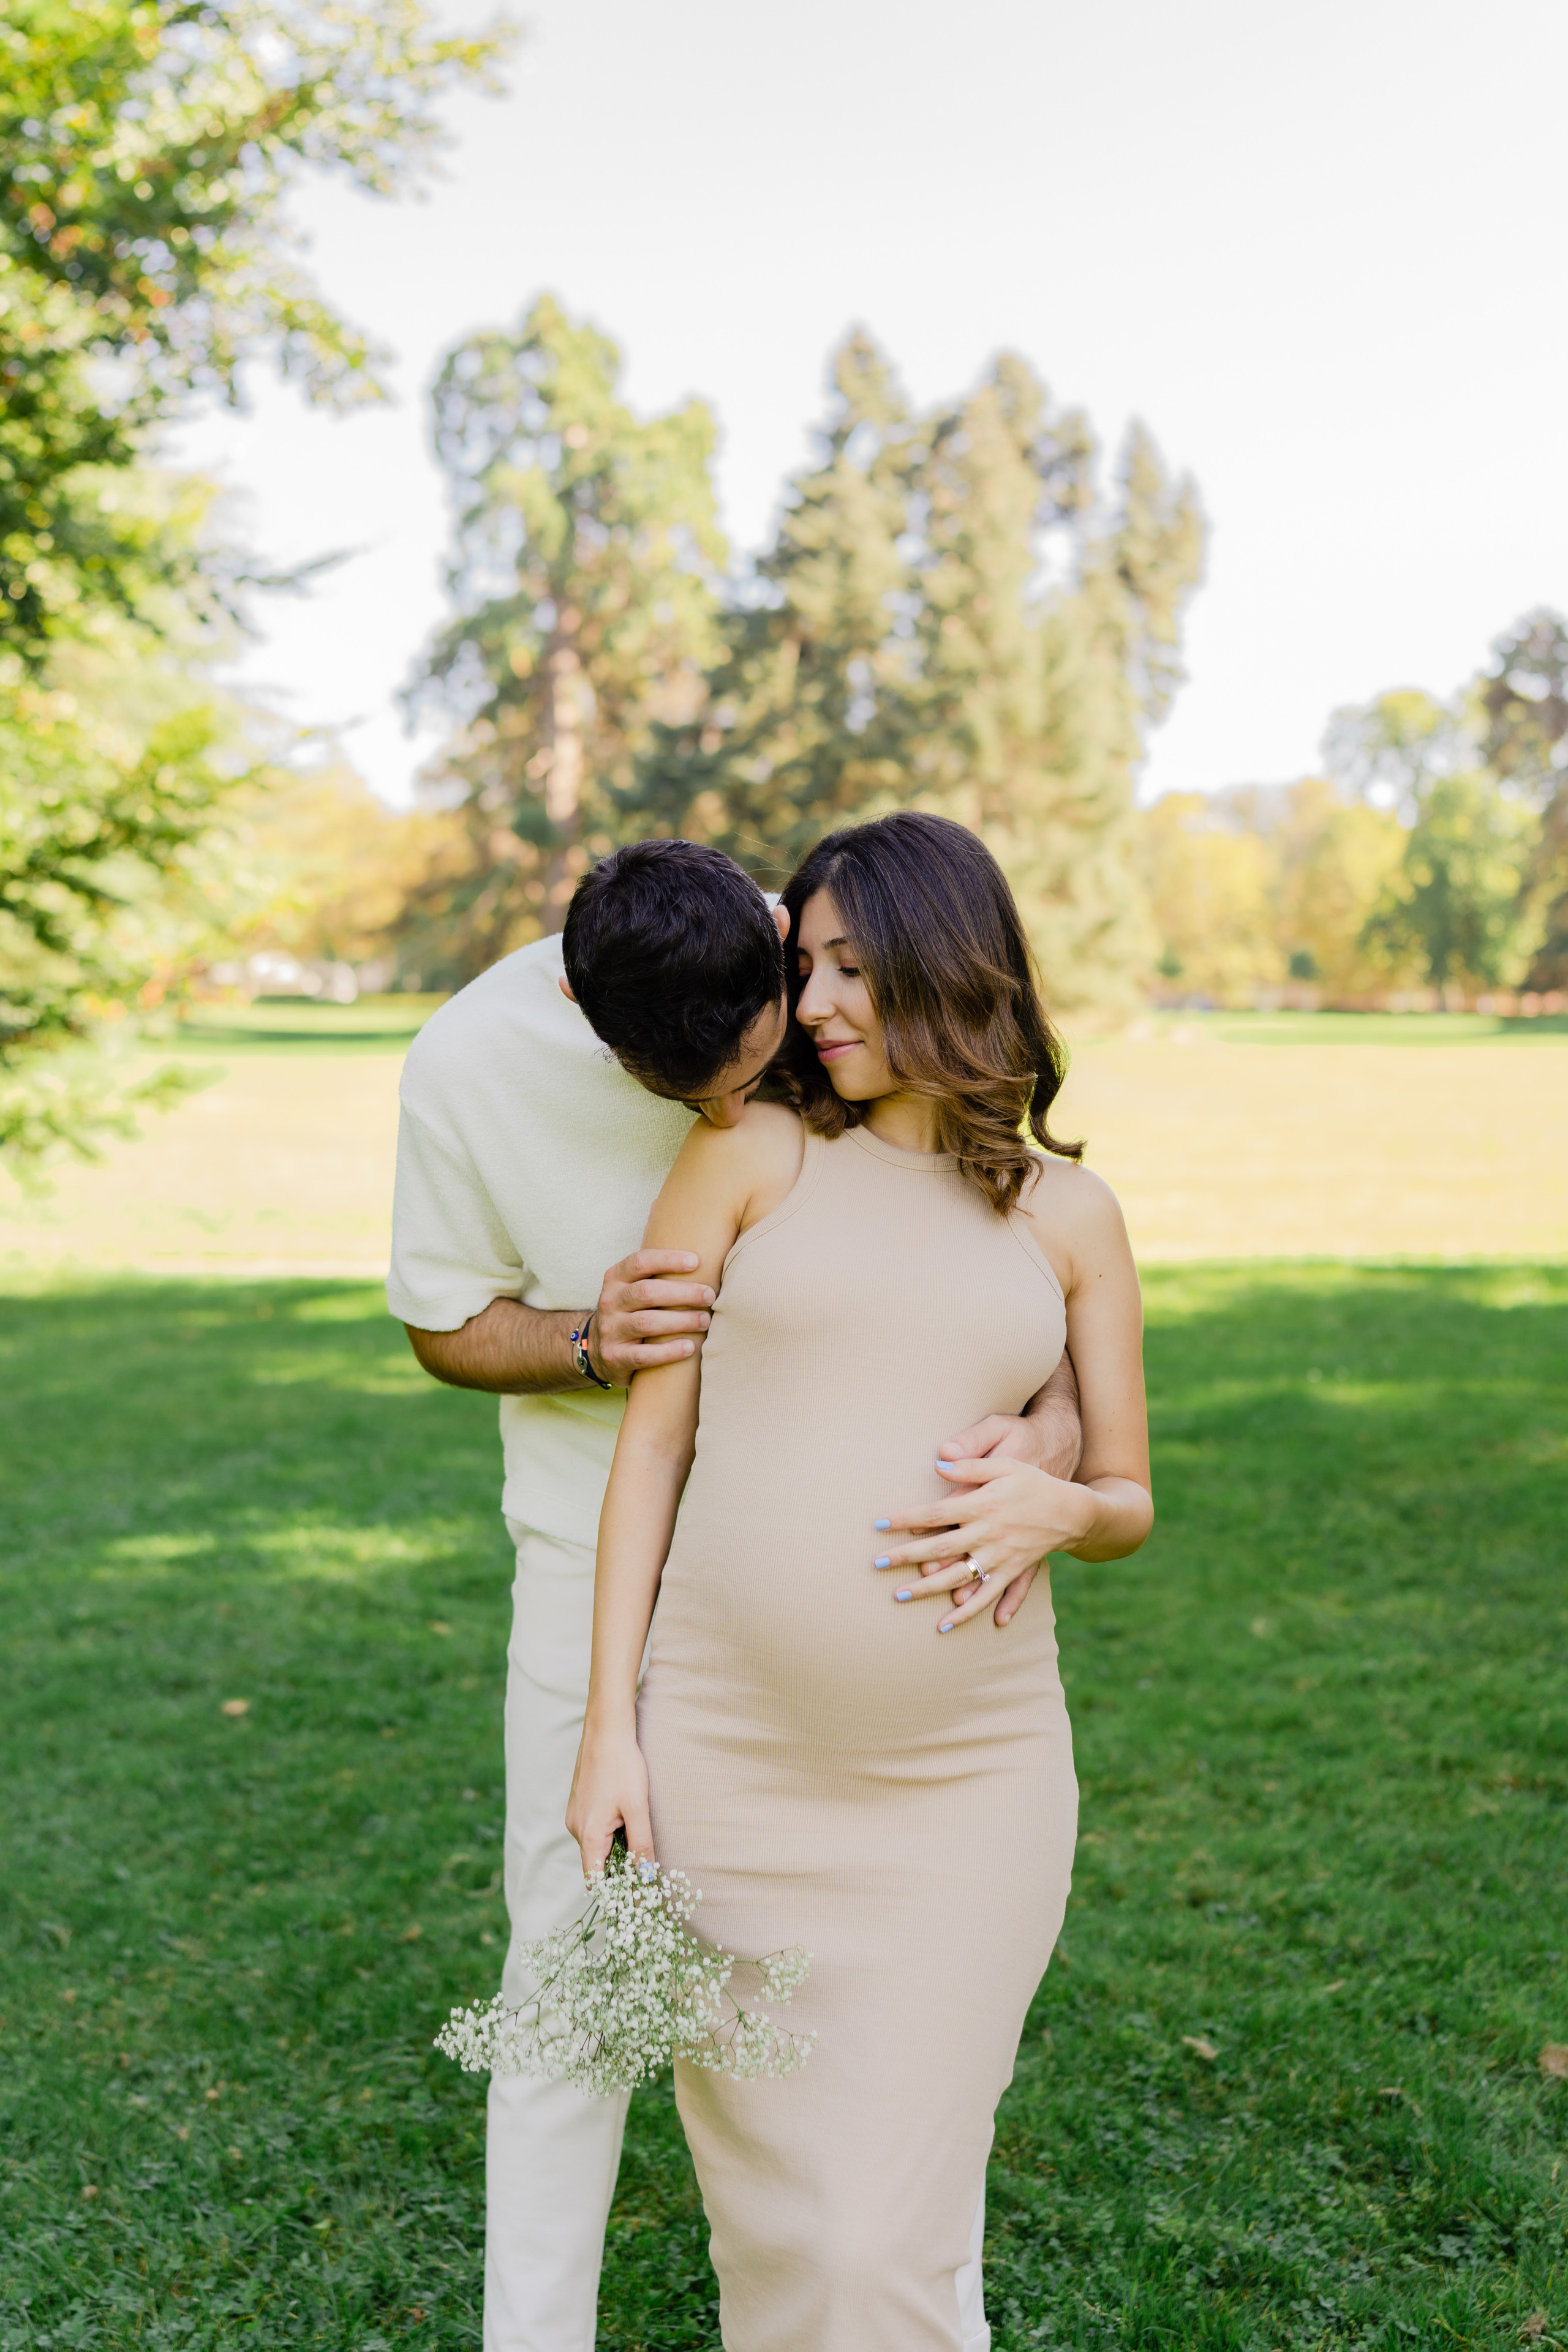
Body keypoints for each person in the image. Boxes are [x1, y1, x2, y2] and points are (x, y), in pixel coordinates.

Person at [386, 836, 1084, 2352]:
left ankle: (908, 2310)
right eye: (685, 1091)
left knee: (898, 2039)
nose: (739, 1106)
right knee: (582, 1987)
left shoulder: (819, 974)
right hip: (608, 1567)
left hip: (860, 1601)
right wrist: (588, 1336)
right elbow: (443, 1323)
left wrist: (1051, 1431)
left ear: (774, 936)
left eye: (756, 1067)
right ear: (585, 1010)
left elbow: (999, 1246)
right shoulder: (463, 1064)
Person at [567, 812, 1153, 2352]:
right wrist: (605, 1733)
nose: (812, 1005)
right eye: (800, 965)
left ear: (945, 969)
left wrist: (1054, 1507)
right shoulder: (745, 1155)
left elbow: (1129, 1500)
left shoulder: (1072, 1220)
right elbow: (650, 1461)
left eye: (849, 968)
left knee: (882, 2224)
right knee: (793, 2235)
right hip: (730, 1768)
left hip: (970, 1787)